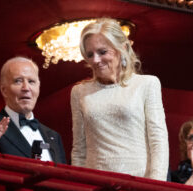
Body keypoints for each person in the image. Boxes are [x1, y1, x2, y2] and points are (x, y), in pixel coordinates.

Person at [71, 18, 169, 180]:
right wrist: (79, 187)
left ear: (122, 48)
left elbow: (158, 141)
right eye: (90, 54)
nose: (95, 60)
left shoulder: (147, 84)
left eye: (102, 52)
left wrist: (156, 187)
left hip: (139, 184)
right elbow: (79, 149)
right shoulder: (79, 92)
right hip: (96, 184)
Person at [0, 57, 66, 163]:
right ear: (4, 90)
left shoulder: (54, 136)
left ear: (38, 88)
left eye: (31, 81)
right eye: (18, 81)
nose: (26, 88)